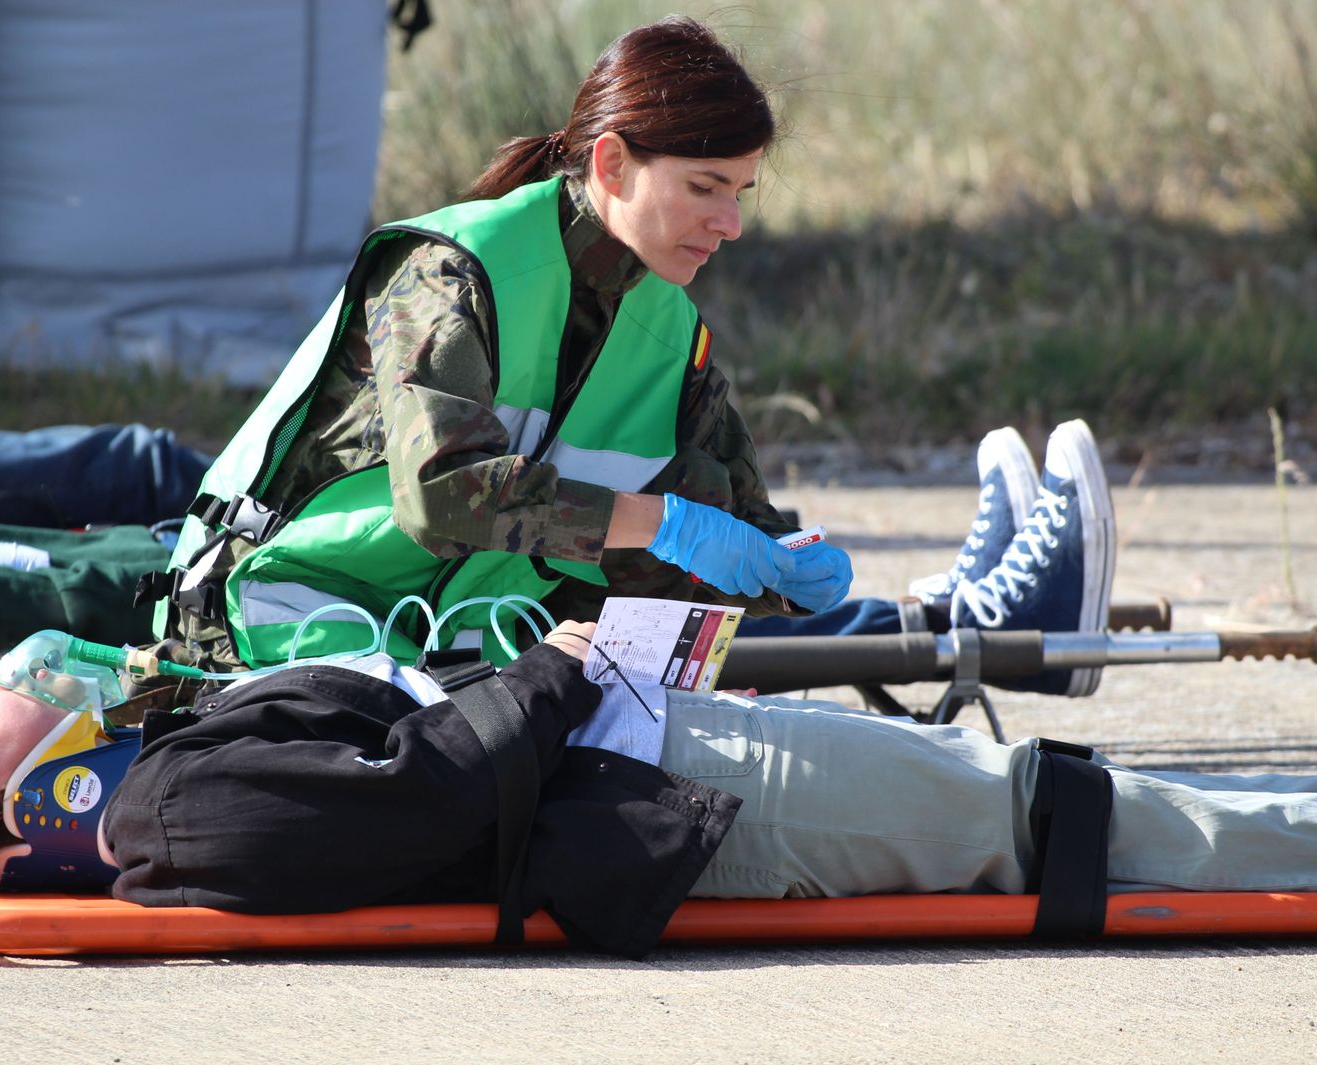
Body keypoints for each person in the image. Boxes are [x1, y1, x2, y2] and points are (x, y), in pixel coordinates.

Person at [141, 16, 1105, 695]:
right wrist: (665, 524)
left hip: (444, 648)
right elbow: (443, 496)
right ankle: (970, 623)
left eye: (743, 192)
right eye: (704, 187)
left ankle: (956, 617)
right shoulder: (449, 272)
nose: (729, 224)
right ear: (611, 164)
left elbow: (720, 520)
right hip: (265, 631)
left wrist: (776, 571)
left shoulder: (668, 330)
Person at [0, 623, 1317, 959]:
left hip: (662, 756)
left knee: (1036, 787)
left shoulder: (157, 770)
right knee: (1050, 815)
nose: (8, 672)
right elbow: (421, 792)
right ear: (22, 805)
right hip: (696, 790)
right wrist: (549, 662)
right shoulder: (171, 818)